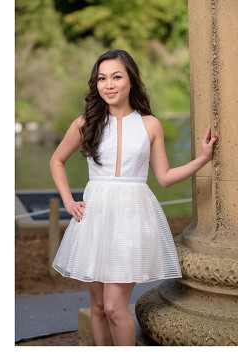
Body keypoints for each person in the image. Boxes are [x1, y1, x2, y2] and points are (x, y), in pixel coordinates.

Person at [50, 49, 216, 346]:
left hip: (131, 218)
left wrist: (202, 159)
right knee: (98, 308)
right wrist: (68, 201)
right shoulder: (85, 123)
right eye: (102, 78)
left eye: (116, 77)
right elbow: (56, 161)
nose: (108, 85)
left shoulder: (149, 124)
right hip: (94, 219)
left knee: (114, 307)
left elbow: (164, 177)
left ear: (131, 81)